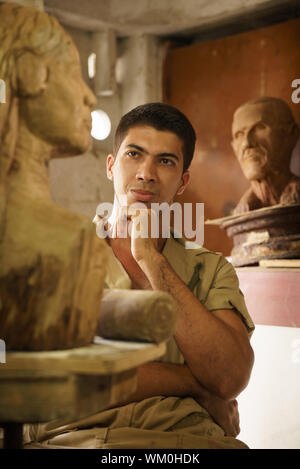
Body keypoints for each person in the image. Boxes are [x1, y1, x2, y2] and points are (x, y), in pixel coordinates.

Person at [23, 102, 255, 449]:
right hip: (71, 439)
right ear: (111, 166)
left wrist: (151, 260)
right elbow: (61, 379)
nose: (147, 172)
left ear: (182, 182)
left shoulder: (210, 269)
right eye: (134, 154)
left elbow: (230, 376)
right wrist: (193, 383)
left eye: (165, 161)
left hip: (184, 443)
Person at [231, 97, 300, 215]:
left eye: (259, 128)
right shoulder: (240, 212)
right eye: (239, 135)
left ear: (292, 134)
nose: (247, 143)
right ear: (233, 147)